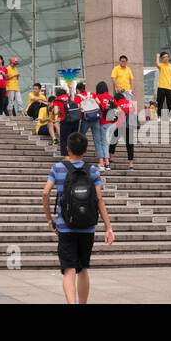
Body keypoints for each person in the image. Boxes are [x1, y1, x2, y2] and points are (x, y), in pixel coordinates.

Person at [43, 133, 114, 304]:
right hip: (87, 226)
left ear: (67, 148)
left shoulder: (58, 168)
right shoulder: (92, 170)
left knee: (69, 270)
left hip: (65, 226)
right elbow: (99, 199)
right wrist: (108, 227)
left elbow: (45, 193)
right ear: (85, 150)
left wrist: (49, 219)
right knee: (82, 269)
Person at [112, 90, 137, 170]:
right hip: (129, 126)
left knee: (113, 141)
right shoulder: (130, 103)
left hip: (120, 125)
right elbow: (132, 111)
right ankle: (131, 165)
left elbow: (116, 114)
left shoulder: (117, 103)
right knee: (130, 145)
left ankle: (111, 158)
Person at [54, 87, 80, 158]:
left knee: (65, 140)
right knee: (73, 139)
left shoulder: (57, 99)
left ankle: (67, 158)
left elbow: (55, 112)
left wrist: (60, 112)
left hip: (65, 121)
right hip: (75, 121)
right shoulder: (70, 98)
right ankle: (74, 156)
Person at [155, 51, 171, 117]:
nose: (166, 58)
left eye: (167, 57)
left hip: (169, 87)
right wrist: (157, 57)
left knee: (169, 103)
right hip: (161, 87)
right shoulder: (161, 65)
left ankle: (170, 117)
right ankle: (159, 117)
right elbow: (157, 64)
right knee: (160, 103)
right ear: (162, 59)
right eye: (164, 57)